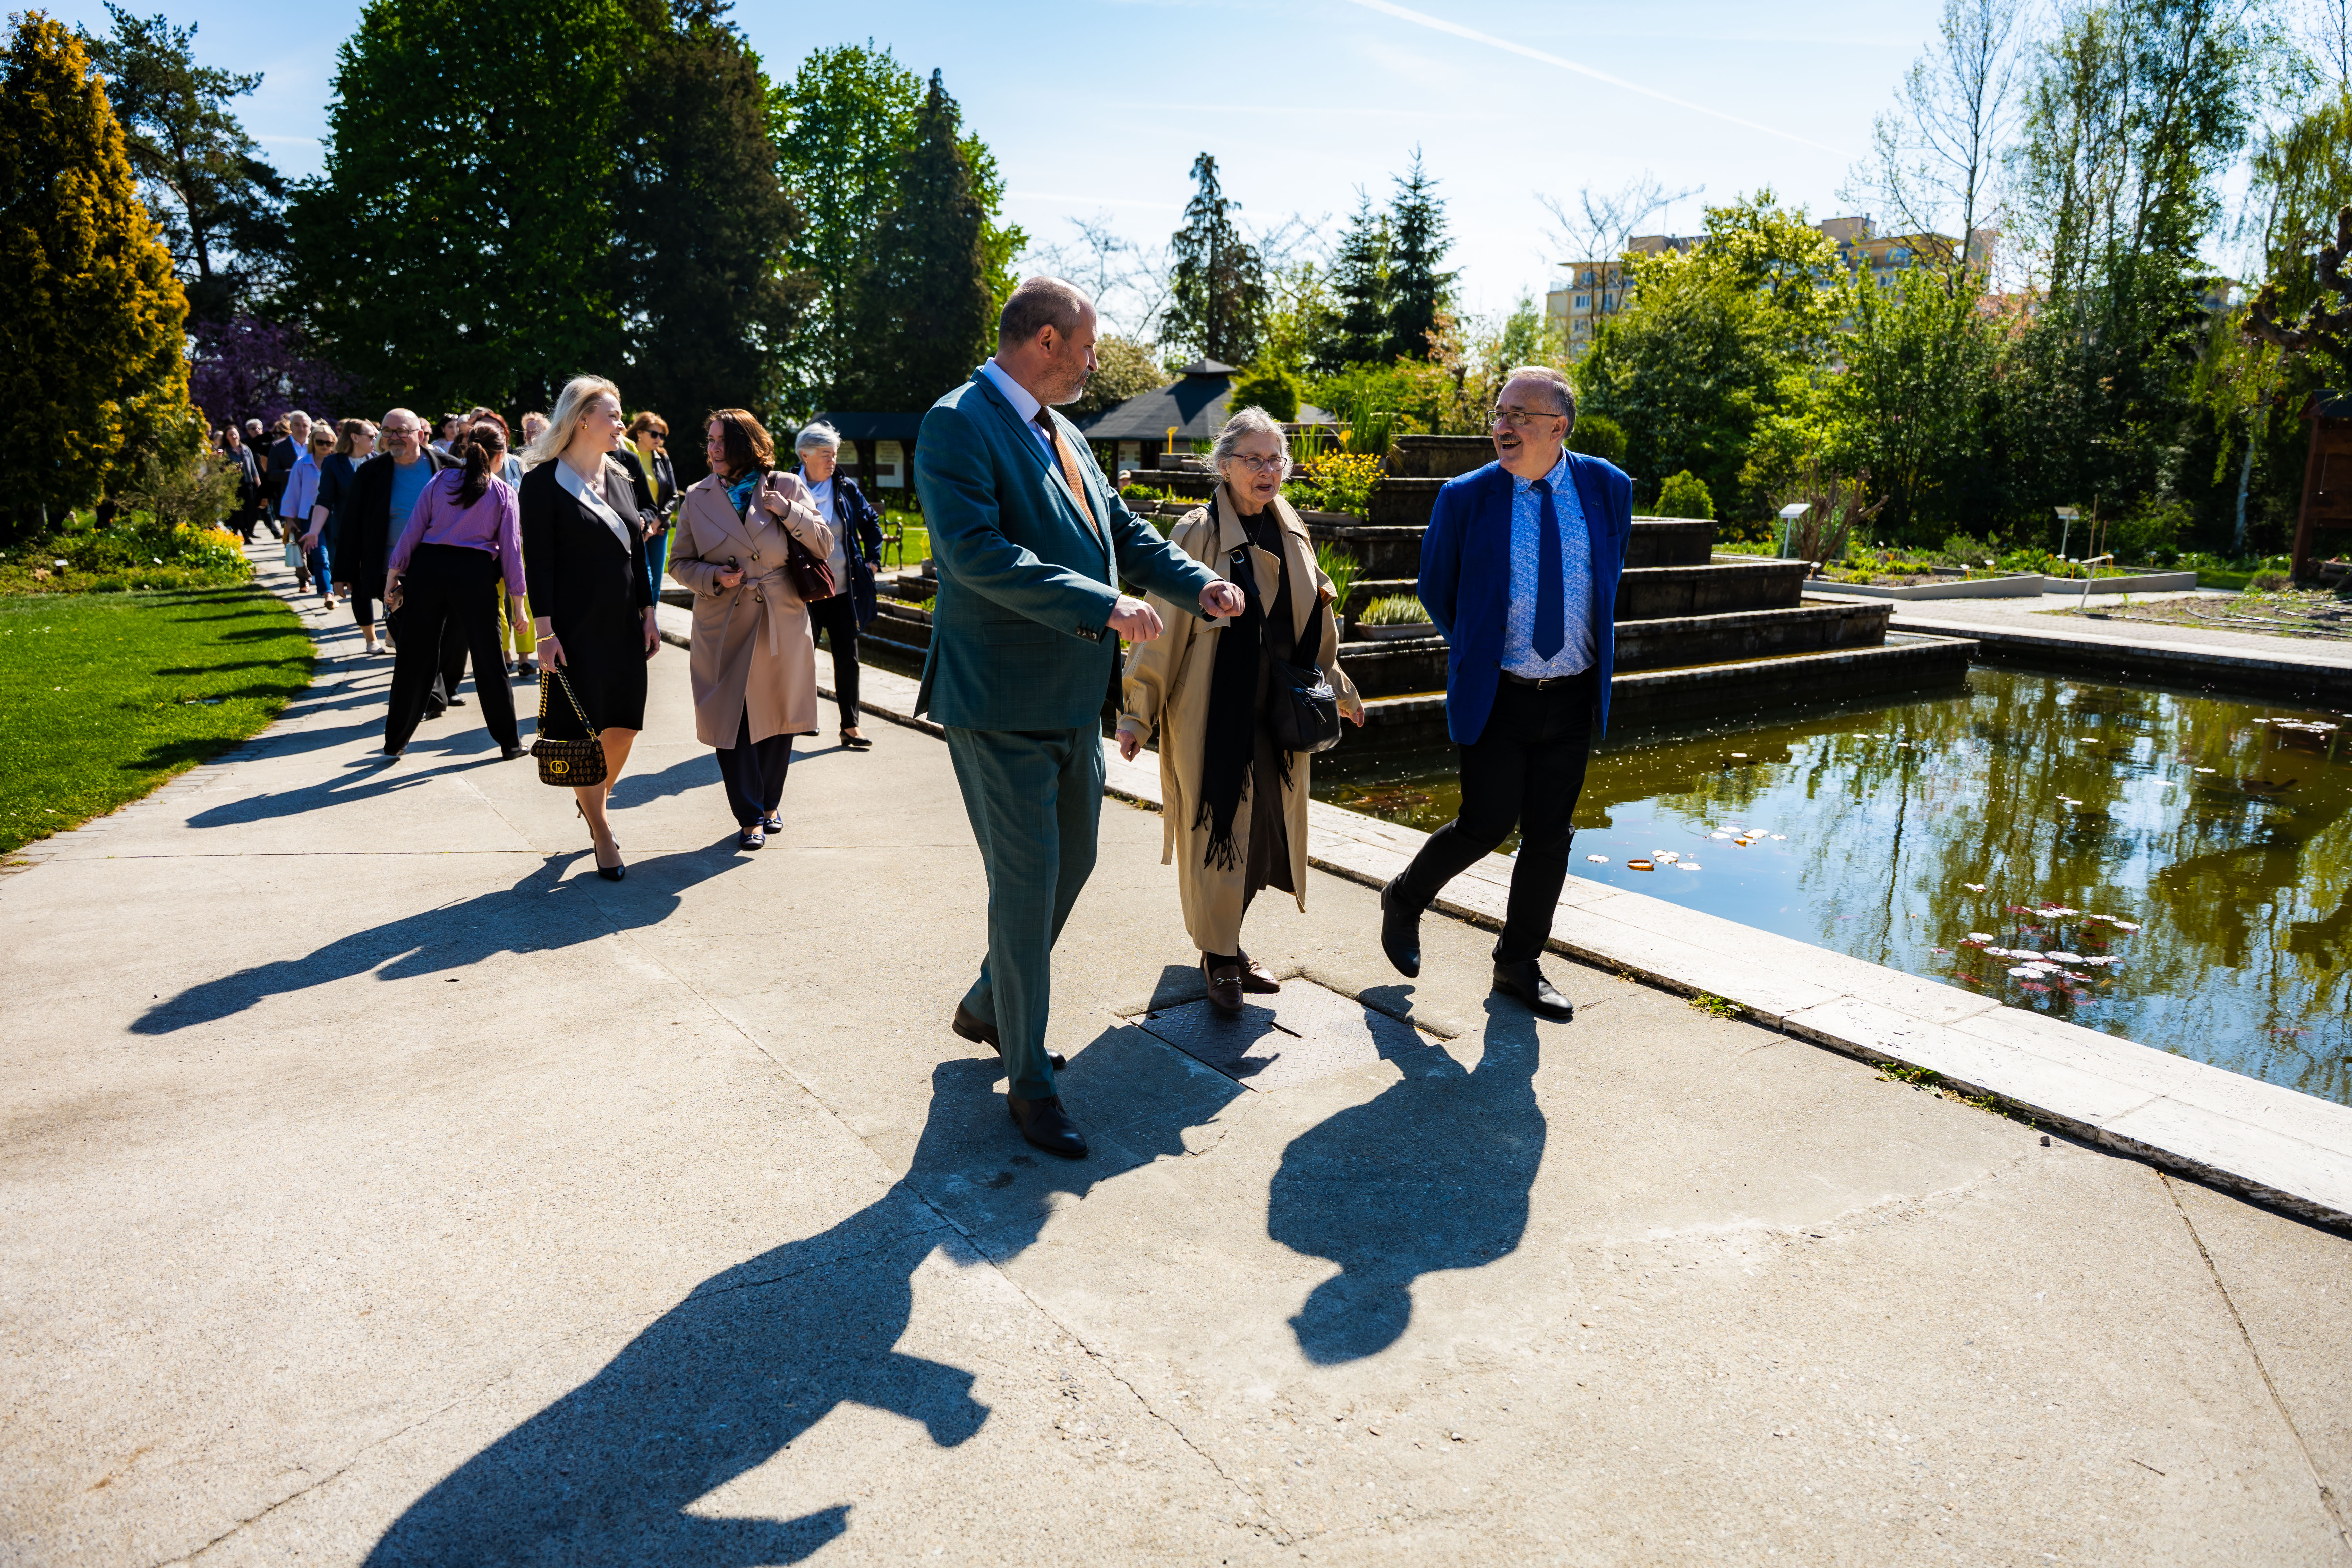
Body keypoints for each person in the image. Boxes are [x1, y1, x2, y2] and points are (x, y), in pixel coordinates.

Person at [914, 276, 1243, 1159]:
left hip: (1069, 700)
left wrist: (1195, 584)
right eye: (1088, 347)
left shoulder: (1063, 432)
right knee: (1024, 890)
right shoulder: (957, 422)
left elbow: (1124, 530)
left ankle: (990, 1002)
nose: (1096, 364)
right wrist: (1101, 606)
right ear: (1047, 340)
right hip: (996, 700)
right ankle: (1029, 1083)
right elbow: (975, 552)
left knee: (1078, 859)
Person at [1377, 366, 1632, 1023]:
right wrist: (1480, 648)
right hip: (1500, 693)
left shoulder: (1608, 489)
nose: (1504, 425)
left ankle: (1519, 963)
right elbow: (1438, 589)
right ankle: (1405, 898)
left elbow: (1605, 582)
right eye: (1500, 412)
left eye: (1520, 414)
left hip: (1573, 694)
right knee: (1485, 824)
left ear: (1559, 426)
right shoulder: (1465, 498)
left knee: (1551, 834)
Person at [1117, 407, 1366, 1012]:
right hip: (1213, 712)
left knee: (1263, 837)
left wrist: (1343, 690)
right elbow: (1160, 630)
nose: (1266, 470)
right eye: (1252, 459)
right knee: (1217, 830)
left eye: (1274, 458)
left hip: (1279, 709)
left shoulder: (1292, 526)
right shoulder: (1197, 534)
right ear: (1224, 465)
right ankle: (1219, 955)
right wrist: (1136, 712)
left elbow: (1316, 626)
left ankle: (1230, 942)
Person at [667, 411, 833, 850]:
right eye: (710, 441)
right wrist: (713, 577)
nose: (712, 449)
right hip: (723, 622)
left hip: (781, 616)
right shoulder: (696, 497)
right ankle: (749, 814)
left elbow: (824, 544)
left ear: (746, 444)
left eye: (722, 441)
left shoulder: (786, 486)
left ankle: (770, 802)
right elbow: (678, 562)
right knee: (732, 720)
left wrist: (789, 511)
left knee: (779, 716)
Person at [519, 376, 659, 883]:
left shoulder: (623, 475)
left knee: (625, 724)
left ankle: (593, 798)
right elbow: (541, 563)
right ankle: (601, 827)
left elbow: (637, 552)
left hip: (624, 620)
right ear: (582, 419)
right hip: (574, 627)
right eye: (614, 416)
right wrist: (545, 632)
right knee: (584, 731)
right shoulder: (540, 482)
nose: (622, 424)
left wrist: (649, 612)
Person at [382, 422, 527, 762]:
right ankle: (510, 743)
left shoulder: (439, 481)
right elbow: (512, 552)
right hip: (474, 574)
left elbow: (413, 530)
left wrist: (394, 574)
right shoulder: (505, 492)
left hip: (428, 569)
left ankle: (395, 742)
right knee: (489, 659)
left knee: (413, 659)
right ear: (501, 455)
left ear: (464, 448)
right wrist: (519, 604)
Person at [345, 410, 459, 693]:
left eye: (401, 432)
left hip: (439, 568)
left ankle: (438, 691)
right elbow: (352, 523)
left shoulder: (450, 468)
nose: (393, 438)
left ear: (420, 435)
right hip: (391, 572)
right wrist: (344, 572)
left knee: (441, 635)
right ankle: (430, 695)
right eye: (387, 431)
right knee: (410, 638)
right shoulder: (370, 473)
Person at [790, 421, 884, 752]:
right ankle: (803, 719)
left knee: (848, 658)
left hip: (844, 588)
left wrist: (873, 561)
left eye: (835, 454)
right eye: (826, 455)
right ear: (806, 455)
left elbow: (871, 523)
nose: (833, 461)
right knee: (804, 657)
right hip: (802, 590)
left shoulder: (844, 486)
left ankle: (850, 725)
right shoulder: (786, 485)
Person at [308, 419, 373, 641]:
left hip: (377, 534)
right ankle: (371, 638)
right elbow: (325, 500)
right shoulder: (333, 463)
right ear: (355, 438)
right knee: (359, 585)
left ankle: (393, 632)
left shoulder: (380, 462)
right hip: (348, 534)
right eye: (371, 436)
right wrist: (315, 531)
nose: (376, 440)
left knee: (386, 584)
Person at [280, 422, 336, 608]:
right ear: (313, 442)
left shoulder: (338, 463)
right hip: (311, 515)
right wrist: (289, 520)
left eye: (329, 443)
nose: (325, 446)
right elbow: (292, 493)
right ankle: (328, 593)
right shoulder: (302, 464)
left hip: (336, 514)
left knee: (335, 554)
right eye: (320, 442)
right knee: (320, 554)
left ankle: (335, 586)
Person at [626, 413, 678, 601]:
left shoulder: (663, 459)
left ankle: (651, 626)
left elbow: (673, 496)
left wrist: (657, 522)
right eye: (655, 434)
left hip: (659, 529)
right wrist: (643, 522)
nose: (659, 439)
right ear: (640, 432)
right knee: (640, 578)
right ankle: (638, 624)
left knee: (655, 582)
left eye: (662, 436)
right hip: (636, 527)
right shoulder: (627, 457)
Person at [264, 412, 307, 544]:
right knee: (298, 547)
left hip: (315, 502)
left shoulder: (318, 445)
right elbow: (272, 473)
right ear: (291, 427)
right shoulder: (278, 446)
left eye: (305, 426)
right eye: (297, 425)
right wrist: (296, 472)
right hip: (293, 502)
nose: (301, 429)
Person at [220, 426, 261, 540]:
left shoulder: (246, 449)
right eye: (231, 435)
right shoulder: (223, 450)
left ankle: (244, 531)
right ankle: (242, 534)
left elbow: (253, 467)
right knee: (236, 510)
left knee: (250, 509)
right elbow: (219, 467)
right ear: (227, 438)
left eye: (235, 434)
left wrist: (259, 484)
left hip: (247, 482)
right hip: (232, 485)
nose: (234, 436)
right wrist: (230, 469)